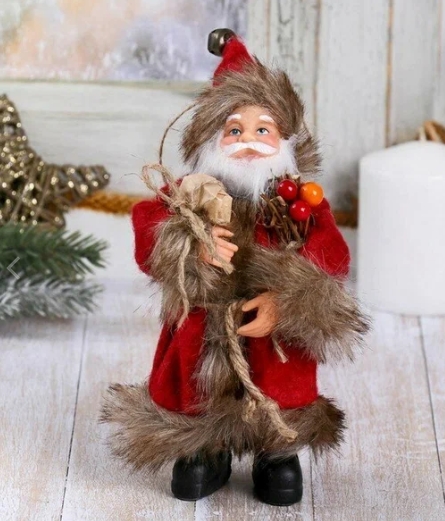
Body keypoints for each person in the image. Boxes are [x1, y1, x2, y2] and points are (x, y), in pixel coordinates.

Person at [102, 28, 369, 507]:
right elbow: (148, 231)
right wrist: (189, 246)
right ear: (212, 141)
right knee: (197, 384)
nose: (248, 141)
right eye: (234, 130)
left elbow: (332, 255)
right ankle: (204, 446)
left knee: (279, 384)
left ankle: (275, 452)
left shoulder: (299, 204)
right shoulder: (191, 195)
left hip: (273, 335)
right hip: (204, 325)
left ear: (285, 140)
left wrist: (289, 300)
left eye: (263, 129)